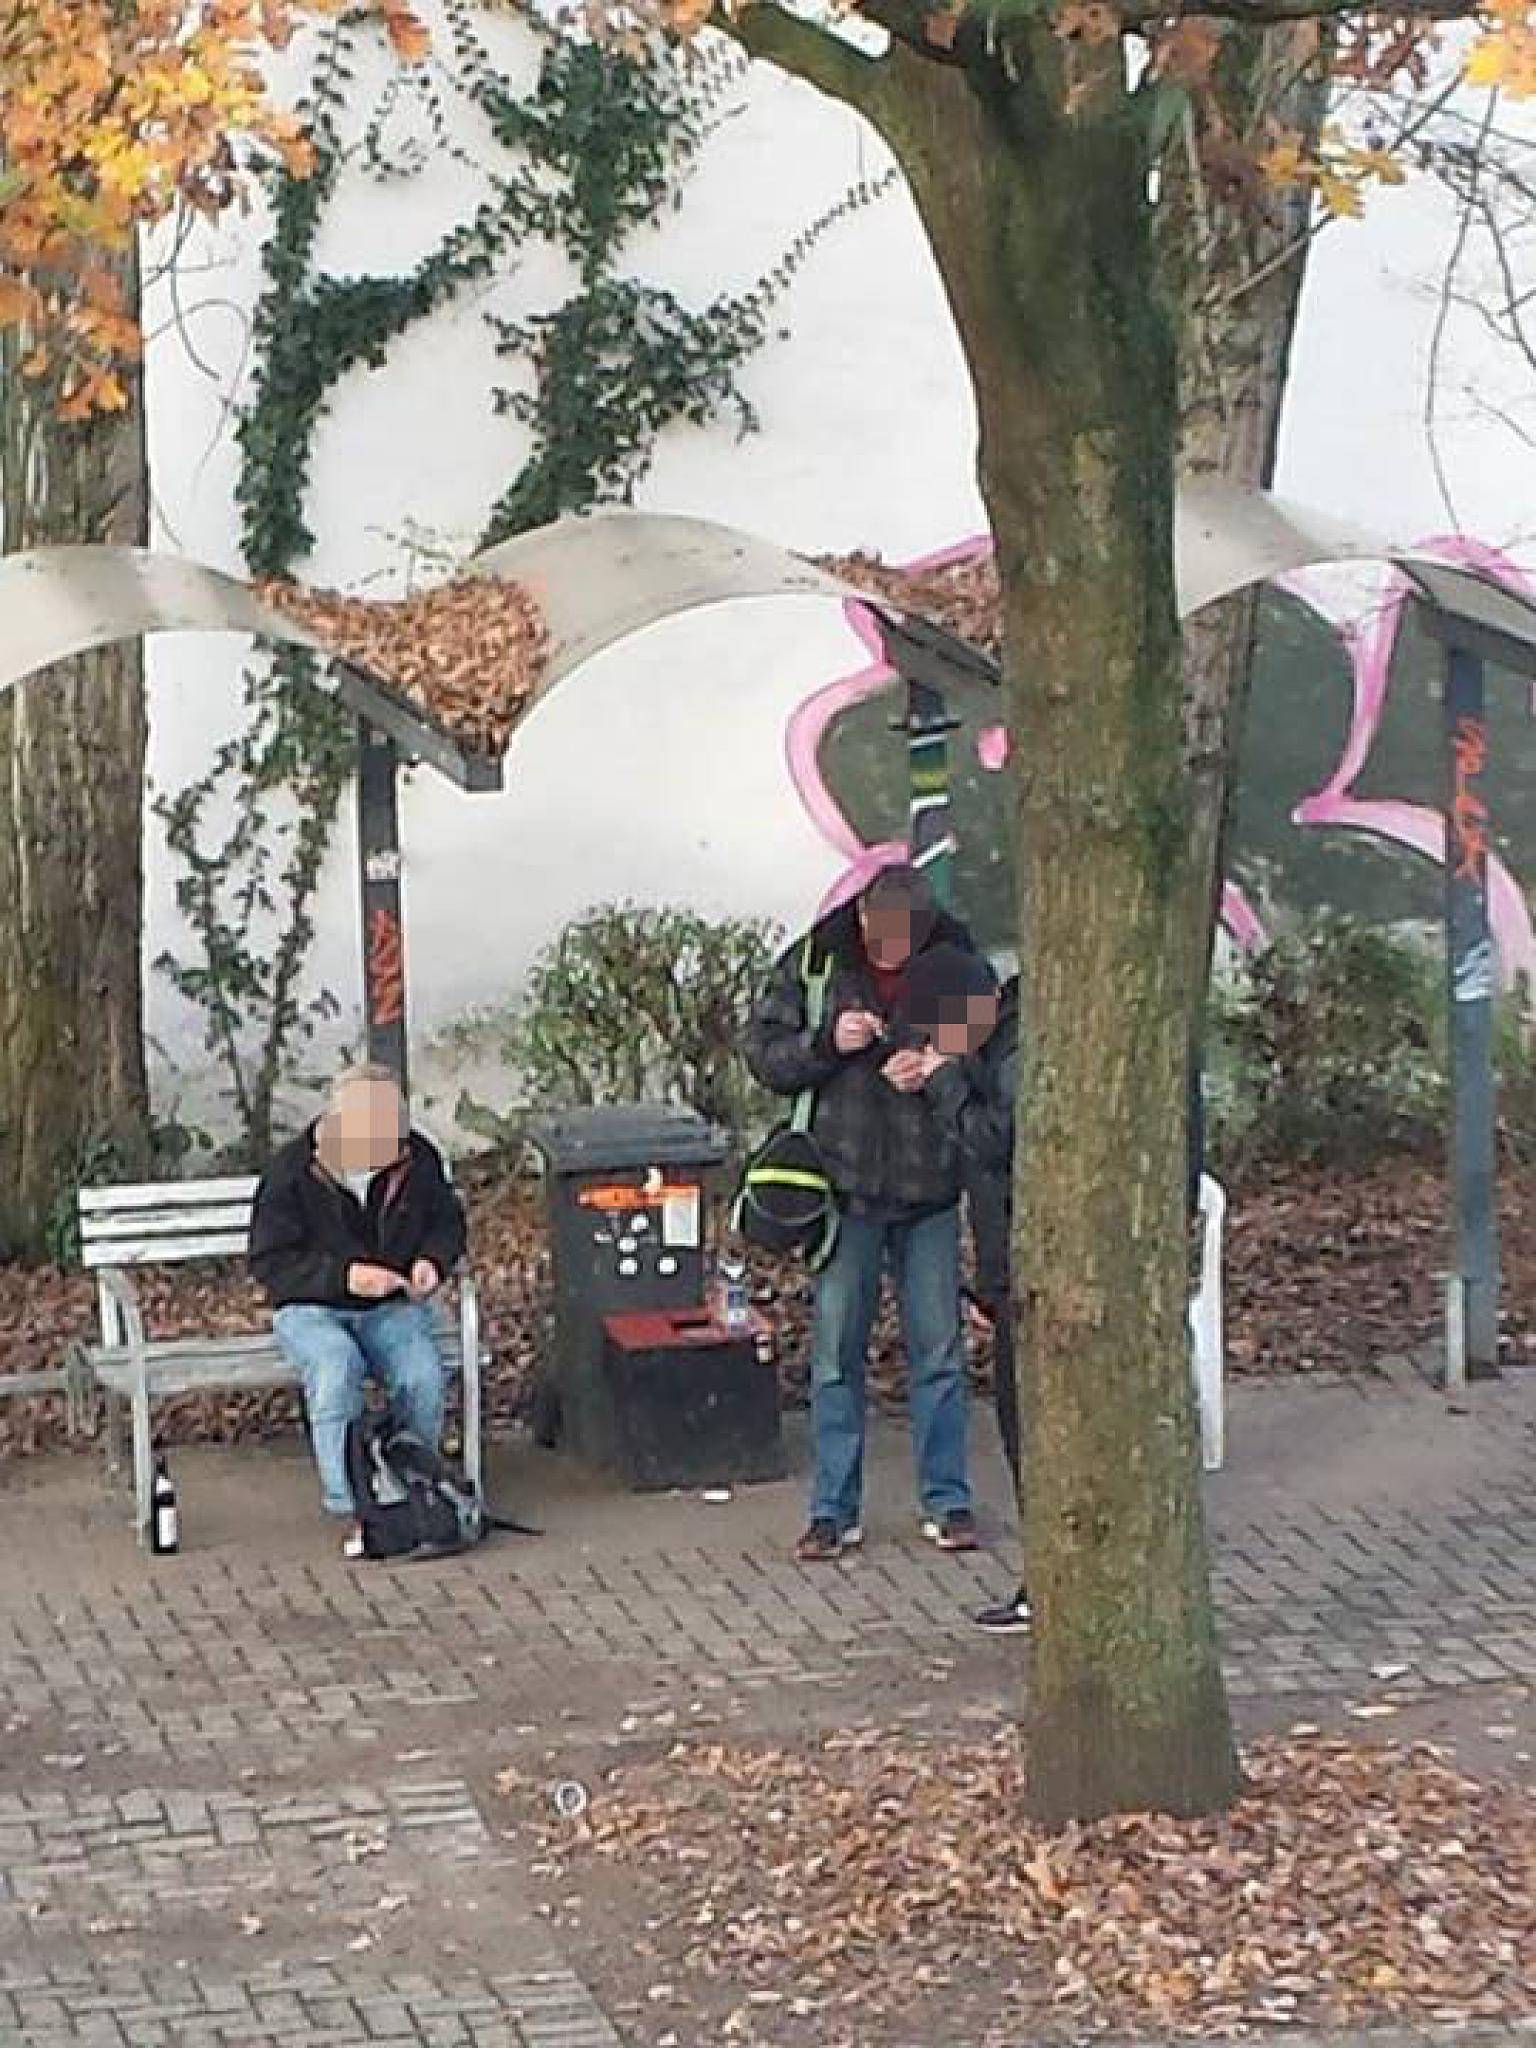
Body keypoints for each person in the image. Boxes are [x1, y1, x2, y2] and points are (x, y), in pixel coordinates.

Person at [909, 946, 1209, 1633]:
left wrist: (945, 1083)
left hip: (1040, 1268)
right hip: (1018, 1268)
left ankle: (1063, 1581)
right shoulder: (1001, 1045)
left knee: (1041, 1431)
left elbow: (1003, 1140)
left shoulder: (1020, 1052)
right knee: (1033, 1427)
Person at [745, 864, 982, 1562]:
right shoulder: (816, 962)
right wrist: (828, 1043)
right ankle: (832, 1510)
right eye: (883, 943)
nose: (894, 956)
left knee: (939, 1354)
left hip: (930, 1186)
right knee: (835, 1357)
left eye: (907, 946)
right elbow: (763, 1055)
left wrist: (938, 1066)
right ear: (863, 920)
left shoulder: (958, 964)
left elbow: (990, 1056)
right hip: (843, 1187)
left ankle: (948, 1500)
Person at [248, 1064, 467, 1554]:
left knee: (422, 1374)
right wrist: (344, 1277)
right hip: (311, 1307)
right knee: (335, 1367)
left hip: (391, 1305)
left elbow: (447, 1224)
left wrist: (432, 1261)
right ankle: (353, 1506)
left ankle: (413, 1485)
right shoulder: (292, 1170)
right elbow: (270, 1263)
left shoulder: (418, 1158)